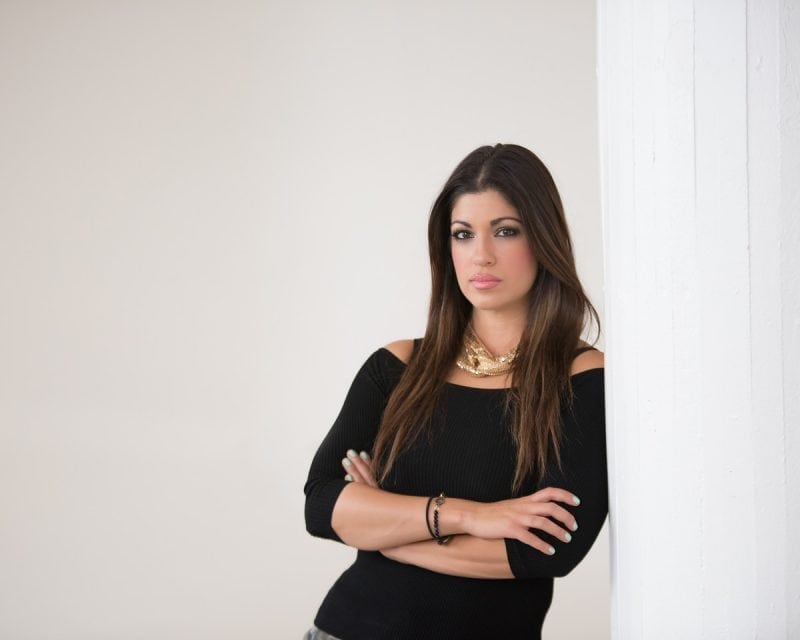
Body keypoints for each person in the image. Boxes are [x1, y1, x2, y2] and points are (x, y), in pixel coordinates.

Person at [303, 143, 607, 640]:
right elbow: (322, 506)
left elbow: (547, 550)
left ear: (543, 238)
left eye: (505, 231)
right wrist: (473, 516)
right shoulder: (398, 367)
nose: (481, 254)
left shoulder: (580, 379)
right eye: (463, 234)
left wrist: (387, 528)